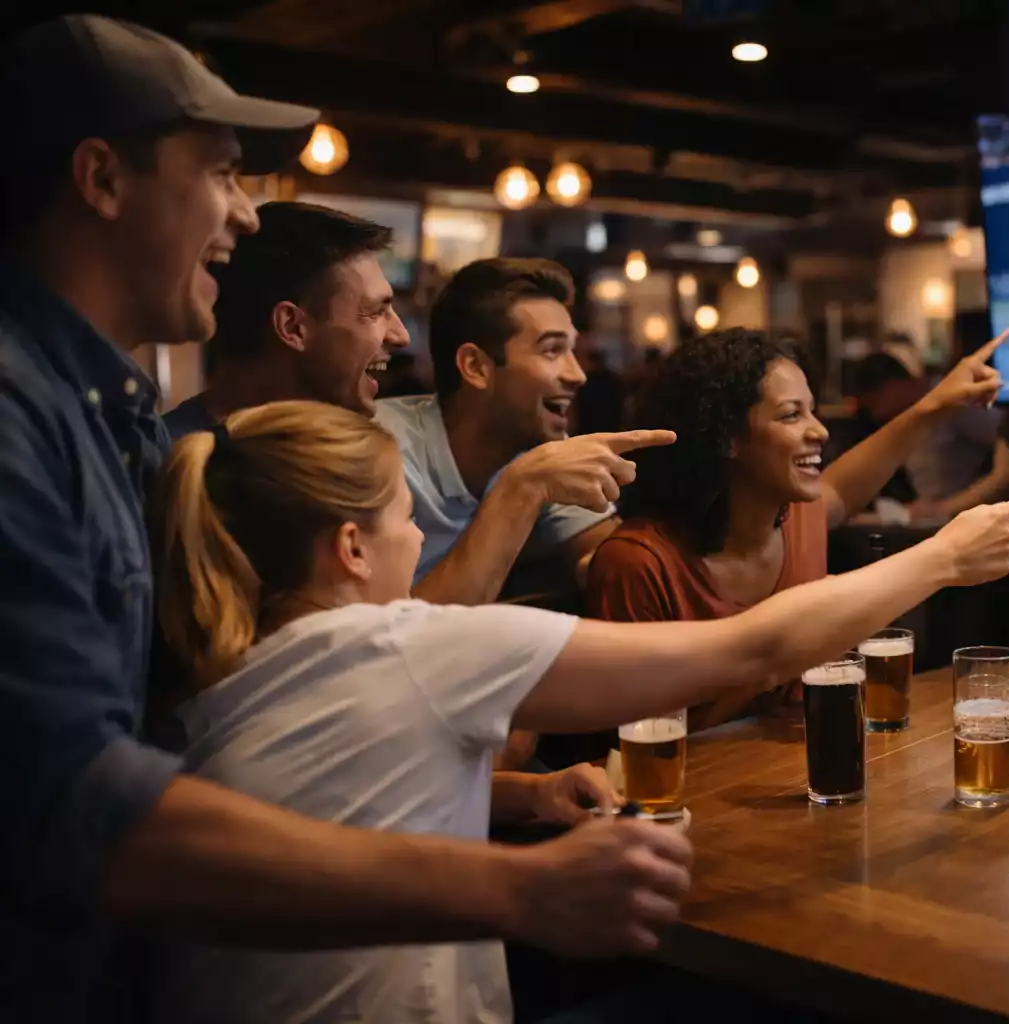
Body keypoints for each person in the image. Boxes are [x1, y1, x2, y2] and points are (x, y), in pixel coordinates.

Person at [0, 16, 691, 1022]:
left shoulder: (117, 423)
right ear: (102, 179)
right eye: (225, 174)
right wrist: (515, 889)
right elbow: (69, 806)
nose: (242, 219)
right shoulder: (24, 417)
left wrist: (515, 802)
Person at [145, 399, 1009, 1023]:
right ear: (350, 547)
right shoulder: (403, 644)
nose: (421, 537)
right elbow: (752, 649)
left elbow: (331, 806)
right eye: (402, 519)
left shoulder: (213, 681)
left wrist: (518, 798)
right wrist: (941, 558)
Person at [587, 327, 1009, 728]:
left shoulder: (798, 519)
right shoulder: (638, 564)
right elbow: (638, 739)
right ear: (724, 437)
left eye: (812, 411)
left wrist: (936, 403)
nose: (821, 431)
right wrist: (797, 646)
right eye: (792, 415)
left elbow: (845, 486)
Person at [375, 258, 662, 608]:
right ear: (476, 367)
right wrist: (521, 488)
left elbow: (615, 564)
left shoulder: (533, 450)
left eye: (572, 350)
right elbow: (389, 643)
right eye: (553, 350)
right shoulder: (376, 451)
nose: (578, 375)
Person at [162, 200, 411, 437]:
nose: (401, 336)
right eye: (377, 311)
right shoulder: (169, 471)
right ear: (292, 327)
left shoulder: (336, 458)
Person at [851, 352, 1009, 522]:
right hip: (929, 519)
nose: (875, 413)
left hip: (967, 516)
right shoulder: (904, 417)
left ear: (893, 387)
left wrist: (946, 507)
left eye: (876, 403)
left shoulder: (953, 399)